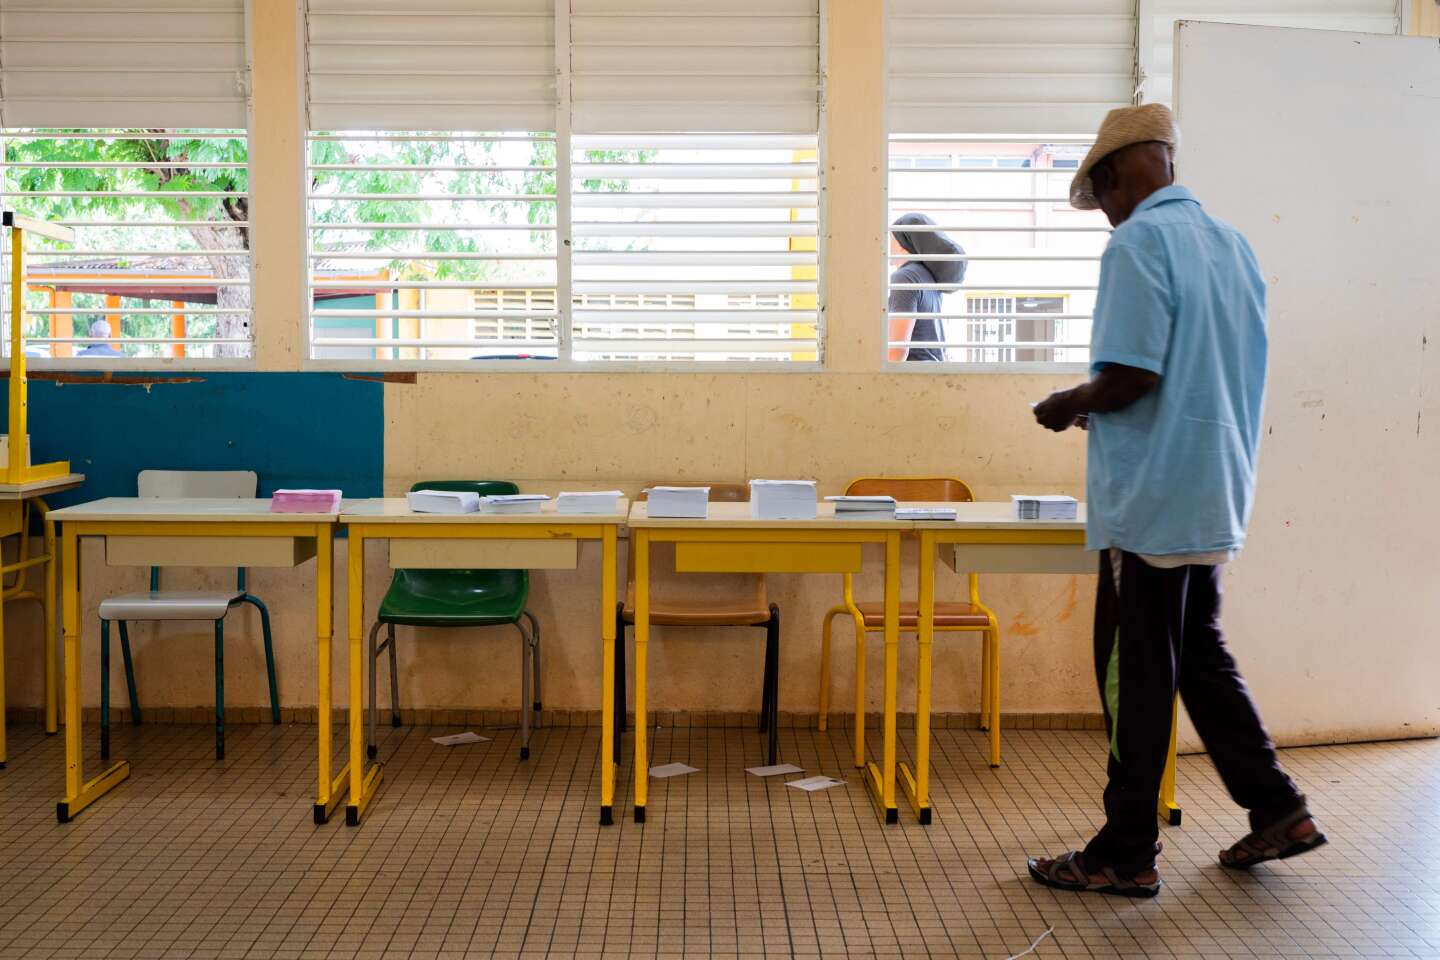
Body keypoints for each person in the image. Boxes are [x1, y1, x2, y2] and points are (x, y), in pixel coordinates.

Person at [1027, 103, 1325, 898]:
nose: (1106, 218)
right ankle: (1277, 807)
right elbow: (1196, 371)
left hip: (1149, 501)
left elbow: (1135, 376)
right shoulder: (1231, 245)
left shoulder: (1139, 242)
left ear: (1120, 172)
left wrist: (1068, 401)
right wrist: (1109, 398)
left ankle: (1124, 850)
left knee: (1133, 674)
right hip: (1212, 486)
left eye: (1103, 198)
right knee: (1198, 651)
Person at [888, 213, 965, 361]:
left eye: (891, 236)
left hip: (910, 380)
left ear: (902, 243)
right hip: (929, 376)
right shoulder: (926, 276)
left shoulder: (905, 277)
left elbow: (897, 352)